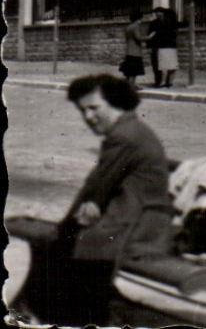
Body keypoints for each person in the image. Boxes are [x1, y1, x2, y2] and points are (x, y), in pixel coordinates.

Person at [7, 75, 173, 326]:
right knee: (55, 245)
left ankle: (53, 312)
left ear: (116, 103)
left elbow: (97, 186)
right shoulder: (129, 131)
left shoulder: (125, 137)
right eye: (83, 111)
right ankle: (43, 309)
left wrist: (69, 222)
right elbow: (99, 189)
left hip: (140, 227)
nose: (88, 117)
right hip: (132, 218)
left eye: (94, 108)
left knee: (61, 244)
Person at [149, 5, 180, 87]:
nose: (158, 14)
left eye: (159, 12)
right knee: (159, 66)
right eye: (156, 13)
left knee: (167, 66)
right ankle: (160, 82)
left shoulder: (171, 23)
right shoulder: (154, 23)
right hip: (159, 46)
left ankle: (167, 82)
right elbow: (150, 35)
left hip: (167, 46)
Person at [119, 10, 150, 86]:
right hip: (135, 52)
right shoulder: (136, 26)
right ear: (139, 18)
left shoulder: (129, 27)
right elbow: (138, 38)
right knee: (134, 72)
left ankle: (129, 86)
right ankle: (131, 86)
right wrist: (149, 37)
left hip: (128, 51)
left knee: (129, 72)